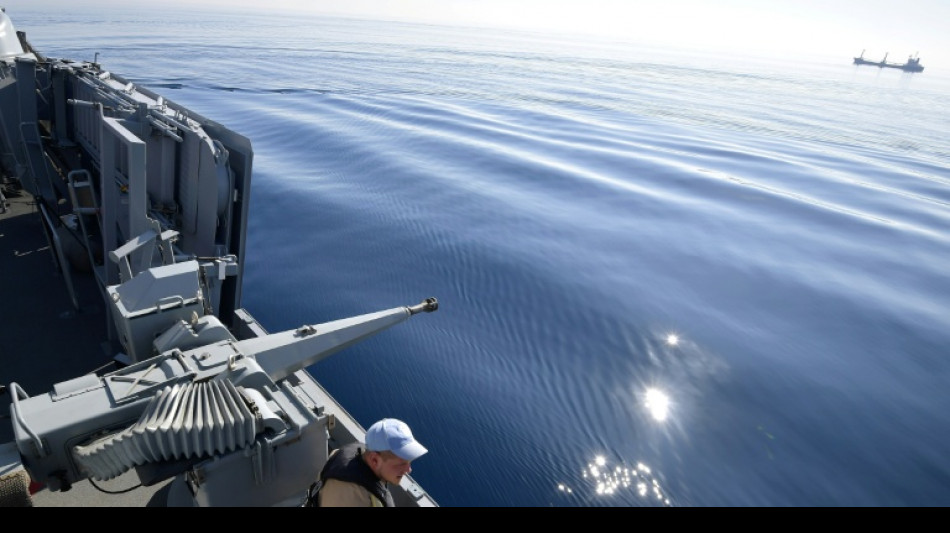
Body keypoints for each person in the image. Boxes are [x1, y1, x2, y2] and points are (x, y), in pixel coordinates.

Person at [307, 418, 428, 507]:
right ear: (374, 460)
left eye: (409, 462)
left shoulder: (342, 455)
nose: (409, 470)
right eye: (402, 463)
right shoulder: (359, 501)